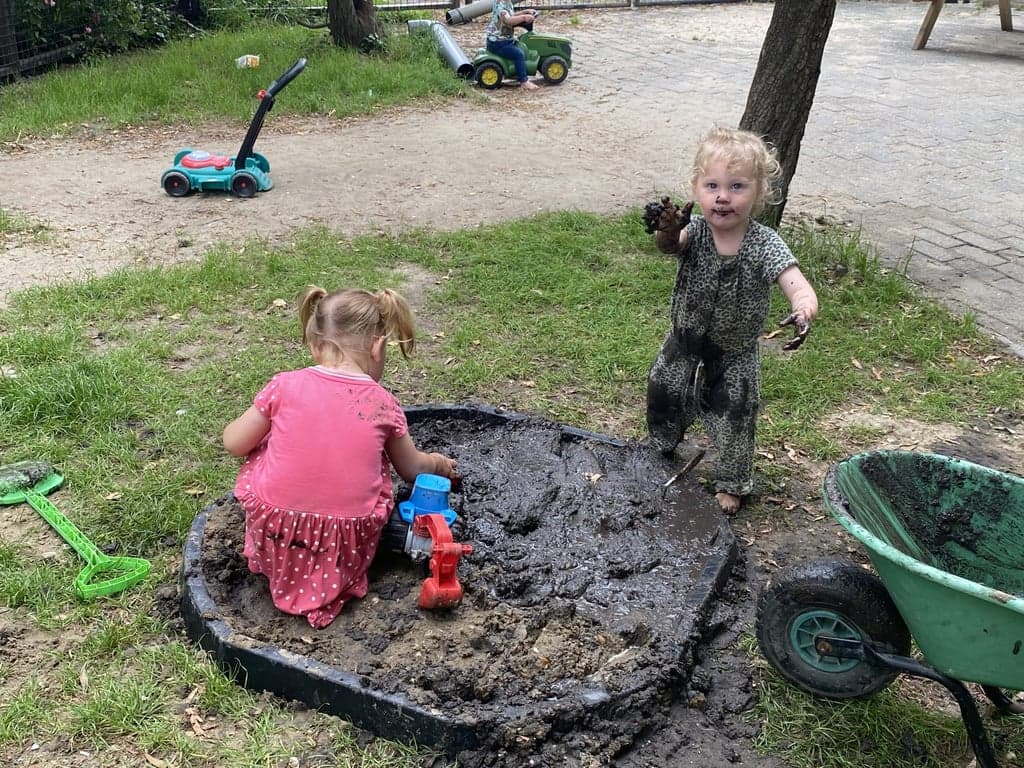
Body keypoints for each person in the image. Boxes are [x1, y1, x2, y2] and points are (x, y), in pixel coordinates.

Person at [222, 286, 459, 628]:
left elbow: (234, 443)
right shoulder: (382, 403)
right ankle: (323, 576)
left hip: (274, 532)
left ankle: (282, 564)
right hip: (343, 543)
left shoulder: (284, 385)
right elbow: (412, 469)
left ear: (315, 344)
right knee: (377, 466)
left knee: (265, 443)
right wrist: (438, 463)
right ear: (378, 346)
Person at [642, 126, 819, 515]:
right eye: (712, 186)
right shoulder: (694, 231)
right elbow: (670, 246)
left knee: (737, 415)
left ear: (759, 193)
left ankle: (733, 483)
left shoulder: (764, 243)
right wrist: (668, 229)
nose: (723, 196)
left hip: (734, 353)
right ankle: (660, 446)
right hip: (683, 343)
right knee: (662, 394)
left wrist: (803, 306)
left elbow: (795, 281)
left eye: (737, 186)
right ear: (697, 189)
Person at [485, 0, 540, 90]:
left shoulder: (507, 2)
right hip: (498, 42)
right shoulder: (500, 4)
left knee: (520, 46)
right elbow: (508, 20)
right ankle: (524, 81)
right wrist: (523, 18)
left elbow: (511, 15)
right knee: (518, 54)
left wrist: (525, 12)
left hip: (505, 39)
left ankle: (516, 72)